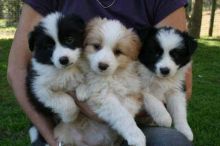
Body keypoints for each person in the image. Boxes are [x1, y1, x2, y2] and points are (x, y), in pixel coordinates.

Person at [7, 0, 193, 146]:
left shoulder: (133, 66)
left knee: (171, 142)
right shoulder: (77, 65)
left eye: (117, 52)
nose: (103, 60)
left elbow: (177, 84)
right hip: (68, 128)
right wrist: (53, 140)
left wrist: (131, 116)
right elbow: (18, 69)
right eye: (96, 46)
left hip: (133, 123)